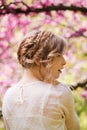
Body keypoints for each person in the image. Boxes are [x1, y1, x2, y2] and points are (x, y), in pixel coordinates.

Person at [2, 30, 80, 130]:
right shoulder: (59, 92)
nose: (64, 62)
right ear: (38, 59)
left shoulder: (9, 96)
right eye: (58, 55)